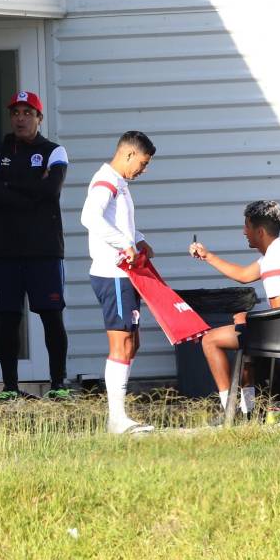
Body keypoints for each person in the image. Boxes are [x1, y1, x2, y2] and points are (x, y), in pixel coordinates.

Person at [189, 200, 280, 419]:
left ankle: (230, 410)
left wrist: (247, 318)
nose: (244, 232)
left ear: (259, 231)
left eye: (246, 227)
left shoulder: (273, 261)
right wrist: (207, 256)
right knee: (245, 334)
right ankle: (249, 410)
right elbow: (243, 275)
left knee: (210, 340)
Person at [0, 91, 70, 401]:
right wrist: (34, 188)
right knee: (8, 319)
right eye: (16, 112)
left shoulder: (55, 151)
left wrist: (10, 185)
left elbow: (52, 189)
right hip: (4, 250)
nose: (21, 117)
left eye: (28, 112)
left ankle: (58, 384)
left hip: (43, 250)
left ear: (39, 118)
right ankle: (10, 387)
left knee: (51, 316)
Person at [80, 131, 156, 434]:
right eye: (143, 162)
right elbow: (90, 217)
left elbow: (117, 222)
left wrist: (138, 240)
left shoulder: (119, 183)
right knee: (122, 343)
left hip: (124, 274)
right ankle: (116, 420)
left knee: (132, 342)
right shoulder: (106, 181)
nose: (144, 169)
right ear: (128, 155)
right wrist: (124, 245)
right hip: (113, 274)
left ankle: (119, 414)